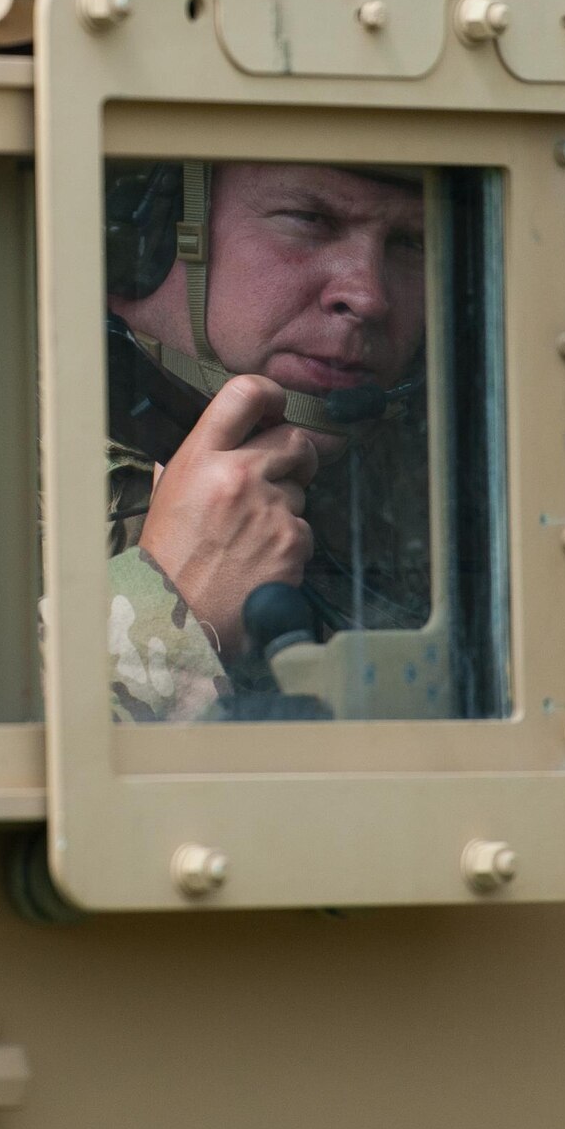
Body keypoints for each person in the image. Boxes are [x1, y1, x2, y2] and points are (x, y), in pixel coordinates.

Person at [102, 160, 429, 720]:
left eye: (411, 242)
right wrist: (165, 610)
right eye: (309, 219)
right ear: (148, 235)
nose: (369, 295)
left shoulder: (488, 475)